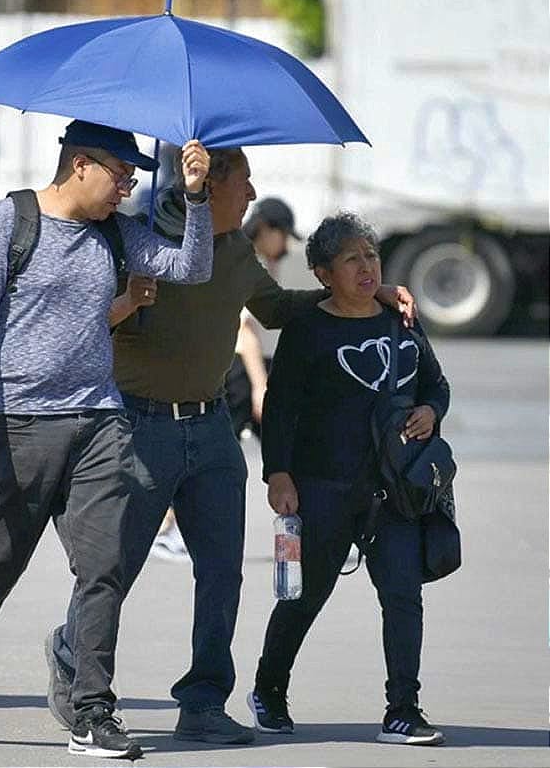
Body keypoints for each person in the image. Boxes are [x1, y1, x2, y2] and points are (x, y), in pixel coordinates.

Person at [48, 149, 415, 745]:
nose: (251, 194)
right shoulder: (139, 243)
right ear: (206, 184)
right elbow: (83, 322)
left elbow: (278, 309)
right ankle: (75, 662)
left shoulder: (239, 249)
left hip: (213, 429)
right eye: (242, 182)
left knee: (221, 572)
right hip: (142, 428)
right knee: (114, 570)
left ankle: (203, 701)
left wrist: (365, 291)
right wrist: (128, 302)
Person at [0, 121, 213, 760]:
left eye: (135, 177)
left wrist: (194, 194)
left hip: (101, 419)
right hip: (18, 421)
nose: (127, 187)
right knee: (0, 565)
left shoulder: (113, 231)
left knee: (102, 566)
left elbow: (191, 266)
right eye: (121, 174)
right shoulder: (8, 222)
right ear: (81, 164)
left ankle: (92, 712)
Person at [248, 212, 448, 746]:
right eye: (352, 259)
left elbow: (436, 383)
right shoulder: (309, 328)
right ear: (322, 273)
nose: (366, 267)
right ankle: (269, 687)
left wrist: (430, 410)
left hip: (396, 490)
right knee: (305, 596)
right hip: (323, 487)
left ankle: (403, 708)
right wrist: (279, 475)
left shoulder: (401, 319)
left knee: (403, 595)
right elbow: (281, 406)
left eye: (372, 256)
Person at [228, 197, 301, 438]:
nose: (286, 247)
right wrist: (260, 387)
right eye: (283, 235)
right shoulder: (250, 264)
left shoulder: (244, 256)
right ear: (266, 229)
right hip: (243, 369)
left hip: (253, 367)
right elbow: (245, 330)